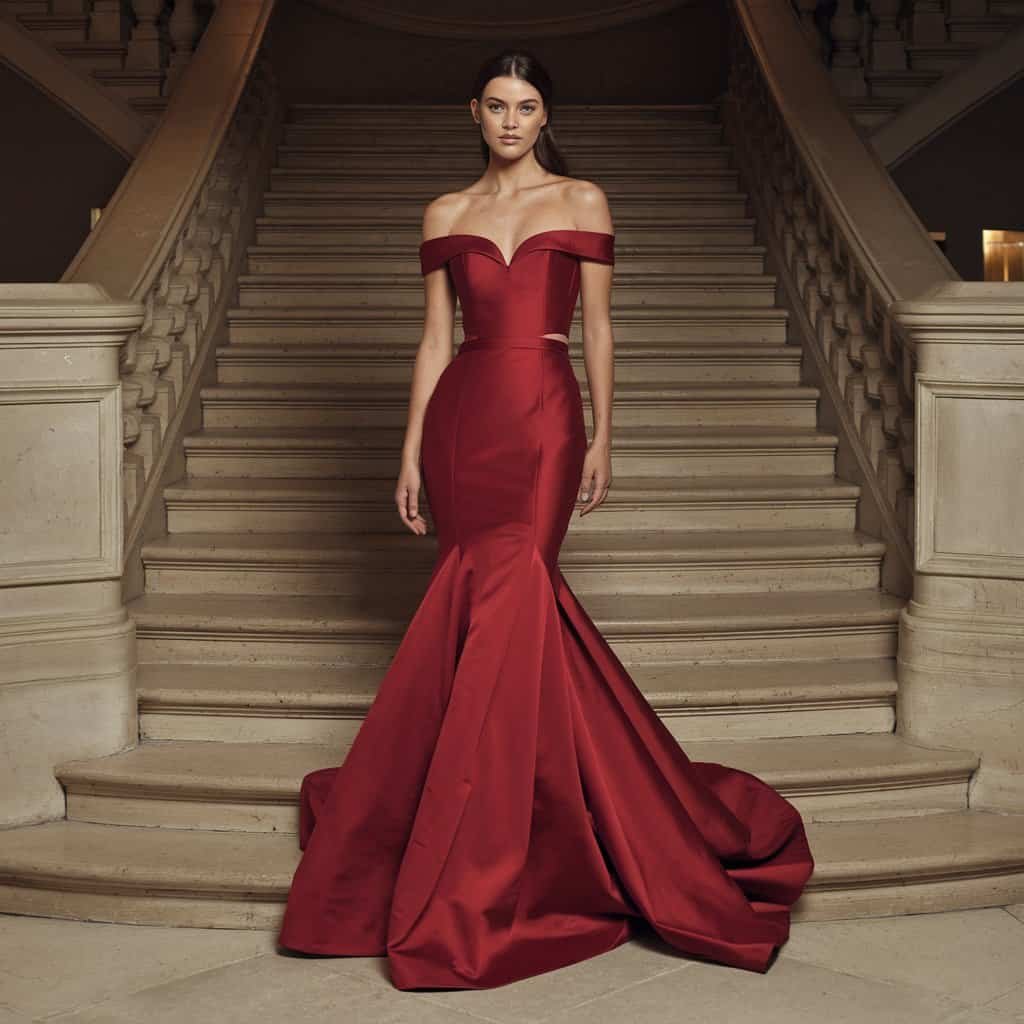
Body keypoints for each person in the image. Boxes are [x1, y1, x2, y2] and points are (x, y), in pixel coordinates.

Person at [277, 47, 815, 992]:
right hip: (464, 419)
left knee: (521, 584)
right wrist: (408, 450)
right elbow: (435, 339)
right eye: (496, 105)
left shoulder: (583, 200)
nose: (512, 121)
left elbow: (600, 327)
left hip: (542, 414)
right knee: (481, 606)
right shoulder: (445, 213)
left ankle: (495, 841)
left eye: (527, 106)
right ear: (473, 113)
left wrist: (606, 432)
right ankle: (514, 806)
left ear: (543, 114)